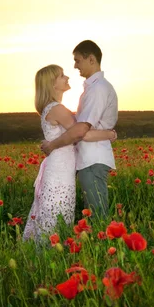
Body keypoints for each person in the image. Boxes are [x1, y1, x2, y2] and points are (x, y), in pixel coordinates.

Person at [23, 64, 116, 242]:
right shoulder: (57, 109)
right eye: (61, 76)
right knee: (57, 214)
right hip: (59, 173)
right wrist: (111, 134)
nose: (67, 78)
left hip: (59, 169)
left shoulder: (51, 108)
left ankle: (45, 255)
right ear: (52, 84)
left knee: (55, 214)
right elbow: (82, 133)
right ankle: (48, 254)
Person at [41, 40, 118, 219]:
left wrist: (52, 145)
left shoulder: (97, 89)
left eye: (77, 60)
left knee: (97, 216)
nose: (75, 66)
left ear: (91, 59)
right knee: (93, 213)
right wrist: (109, 134)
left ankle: (104, 245)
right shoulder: (93, 88)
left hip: (92, 159)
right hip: (88, 159)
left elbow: (81, 130)